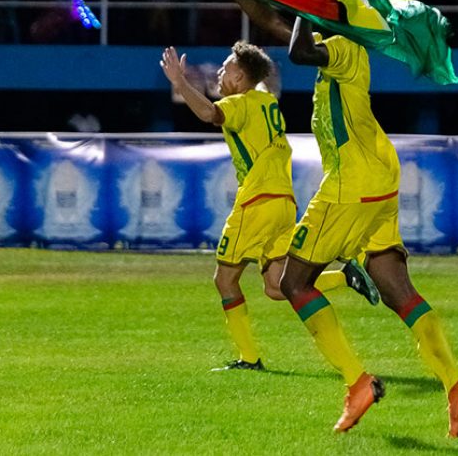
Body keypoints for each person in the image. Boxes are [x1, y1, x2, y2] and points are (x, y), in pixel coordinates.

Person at [200, 0, 458, 437]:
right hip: (380, 175)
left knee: (292, 284)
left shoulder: (343, 47)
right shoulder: (343, 41)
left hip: (352, 179)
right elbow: (275, 24)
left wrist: (303, 2)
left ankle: (359, 382)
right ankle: (456, 386)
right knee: (397, 288)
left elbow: (295, 45)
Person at [159, 41, 379, 371]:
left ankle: (249, 359)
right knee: (277, 287)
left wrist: (180, 83)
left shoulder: (241, 102)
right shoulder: (266, 100)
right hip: (283, 202)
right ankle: (346, 277)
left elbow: (208, 113)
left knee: (225, 281)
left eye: (226, 68)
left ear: (240, 76)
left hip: (258, 201)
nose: (219, 73)